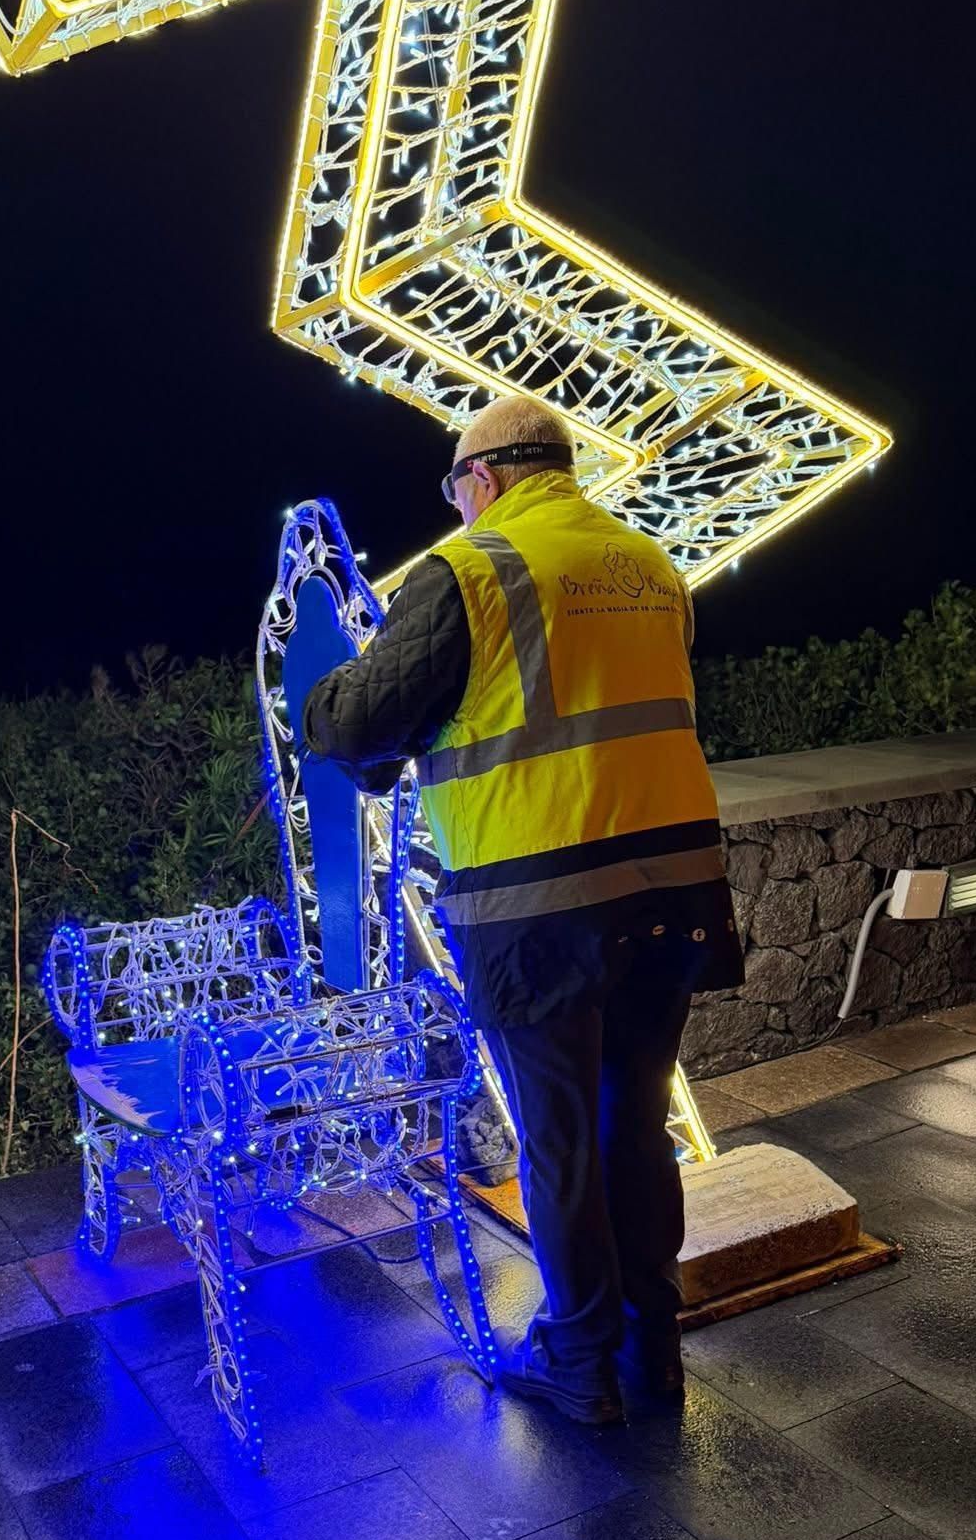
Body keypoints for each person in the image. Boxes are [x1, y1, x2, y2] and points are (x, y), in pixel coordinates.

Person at [302, 394, 743, 1424]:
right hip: (675, 882)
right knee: (632, 1118)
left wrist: (319, 694)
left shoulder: (471, 567)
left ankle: (581, 1361)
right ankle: (654, 1348)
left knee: (559, 1139)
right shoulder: (649, 563)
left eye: (457, 484)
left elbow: (360, 720)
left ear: (487, 477)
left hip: (538, 898)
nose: (458, 502)